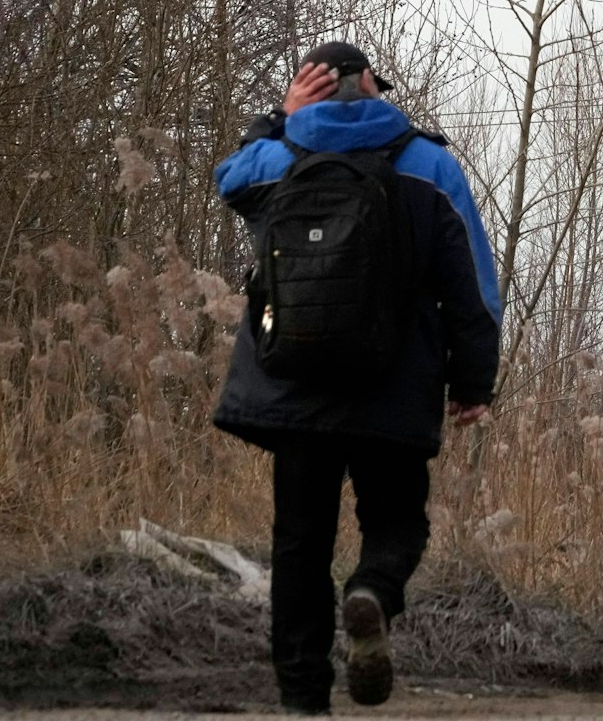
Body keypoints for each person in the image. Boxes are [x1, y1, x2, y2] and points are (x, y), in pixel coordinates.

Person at [212, 40, 502, 715]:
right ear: (371, 83)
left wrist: (278, 117)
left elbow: (228, 180)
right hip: (393, 387)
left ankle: (304, 697)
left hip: (295, 386)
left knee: (300, 540)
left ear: (307, 87)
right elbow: (472, 286)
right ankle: (369, 590)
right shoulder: (428, 164)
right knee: (397, 520)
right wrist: (473, 382)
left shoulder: (279, 157)